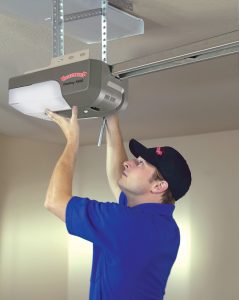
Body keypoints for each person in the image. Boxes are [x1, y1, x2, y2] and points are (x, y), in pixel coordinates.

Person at [44, 106, 192, 300]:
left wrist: (72, 141)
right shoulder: (165, 227)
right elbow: (118, 176)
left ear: (158, 186)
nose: (128, 163)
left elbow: (54, 201)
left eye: (140, 164)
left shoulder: (127, 224)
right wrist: (111, 117)